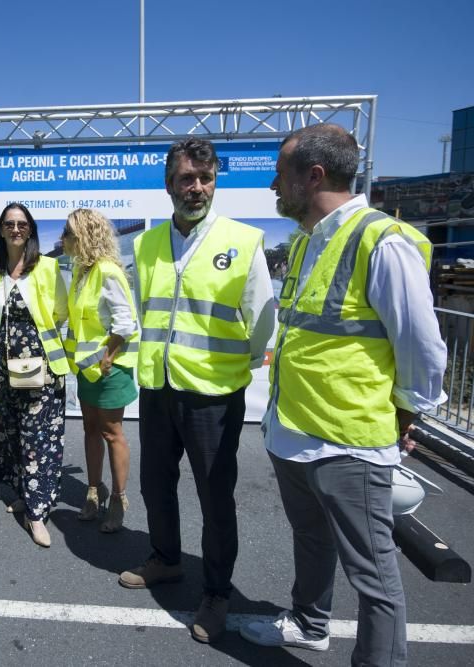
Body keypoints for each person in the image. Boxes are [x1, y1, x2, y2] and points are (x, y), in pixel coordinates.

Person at [239, 124, 446, 665]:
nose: (272, 186)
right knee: (310, 541)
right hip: (294, 434)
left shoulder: (382, 240)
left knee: (373, 574)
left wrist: (408, 411)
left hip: (348, 442)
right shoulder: (310, 239)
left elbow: (422, 346)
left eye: (279, 175)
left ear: (314, 175)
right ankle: (309, 625)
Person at [119, 138, 276, 644]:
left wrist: (234, 368)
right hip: (159, 389)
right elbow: (143, 313)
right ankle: (165, 559)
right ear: (169, 184)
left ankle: (216, 593)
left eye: (206, 179)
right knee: (154, 486)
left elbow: (261, 327)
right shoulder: (144, 246)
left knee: (215, 499)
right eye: (187, 178)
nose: (197, 188)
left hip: (213, 396)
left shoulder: (243, 241)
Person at [0, 203, 69, 548]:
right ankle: (23, 492)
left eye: (21, 224)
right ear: (1, 230)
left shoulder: (47, 266)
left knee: (37, 439)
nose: (15, 229)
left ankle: (37, 512)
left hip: (39, 364)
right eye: (9, 224)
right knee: (10, 432)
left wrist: (38, 350)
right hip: (1, 367)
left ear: (30, 229)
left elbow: (61, 312)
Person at [62, 208, 139, 533]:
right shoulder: (82, 271)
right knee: (91, 430)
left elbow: (126, 321)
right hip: (88, 370)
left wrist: (108, 356)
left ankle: (119, 500)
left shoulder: (107, 271)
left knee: (112, 433)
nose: (62, 240)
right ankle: (94, 490)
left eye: (68, 233)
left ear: (83, 236)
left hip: (110, 370)